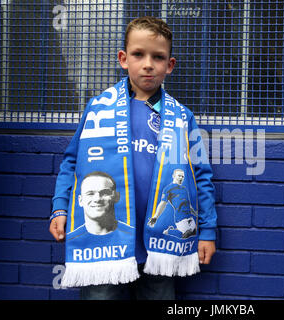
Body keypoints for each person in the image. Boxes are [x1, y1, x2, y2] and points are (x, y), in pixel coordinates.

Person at [49, 16, 217, 300]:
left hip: (162, 242)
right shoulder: (99, 109)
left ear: (170, 65)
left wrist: (208, 230)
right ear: (124, 59)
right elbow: (72, 162)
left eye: (158, 57)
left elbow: (200, 175)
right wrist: (60, 208)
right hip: (105, 242)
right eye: (139, 54)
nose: (148, 63)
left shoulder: (180, 117)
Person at [148, 169, 197, 239]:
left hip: (190, 217)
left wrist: (195, 214)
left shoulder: (185, 189)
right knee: (187, 235)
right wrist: (155, 217)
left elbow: (188, 205)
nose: (181, 178)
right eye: (179, 176)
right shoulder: (168, 188)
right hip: (180, 218)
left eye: (182, 176)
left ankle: (178, 230)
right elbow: (162, 204)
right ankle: (169, 231)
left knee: (194, 232)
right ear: (173, 176)